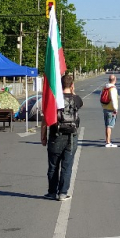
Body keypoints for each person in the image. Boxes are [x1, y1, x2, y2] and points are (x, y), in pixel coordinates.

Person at [41, 73, 82, 201]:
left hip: (55, 135)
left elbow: (45, 120)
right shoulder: (77, 99)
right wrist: (73, 92)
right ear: (72, 85)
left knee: (53, 165)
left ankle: (52, 192)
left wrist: (43, 136)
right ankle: (63, 193)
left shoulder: (54, 100)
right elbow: (79, 104)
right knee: (67, 165)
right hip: (71, 136)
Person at [101, 74, 119, 147]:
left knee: (107, 125)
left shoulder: (104, 87)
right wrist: (115, 109)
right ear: (115, 80)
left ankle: (107, 141)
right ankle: (108, 142)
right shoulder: (113, 89)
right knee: (109, 126)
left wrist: (103, 106)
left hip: (105, 108)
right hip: (111, 109)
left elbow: (101, 98)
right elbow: (114, 99)